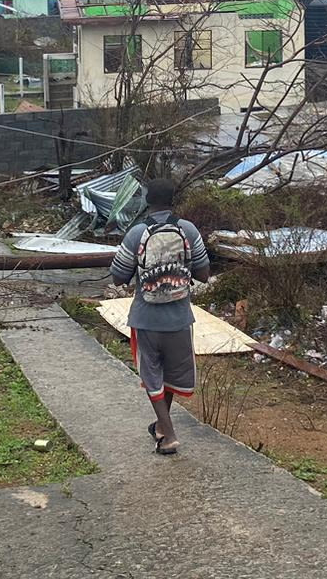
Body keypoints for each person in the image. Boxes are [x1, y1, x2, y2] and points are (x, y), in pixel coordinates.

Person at [108, 177, 211, 456]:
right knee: (171, 375)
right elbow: (203, 273)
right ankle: (161, 426)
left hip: (146, 320)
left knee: (152, 375)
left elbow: (118, 277)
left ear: (147, 201)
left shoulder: (137, 233)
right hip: (179, 319)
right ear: (173, 199)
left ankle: (169, 435)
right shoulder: (188, 230)